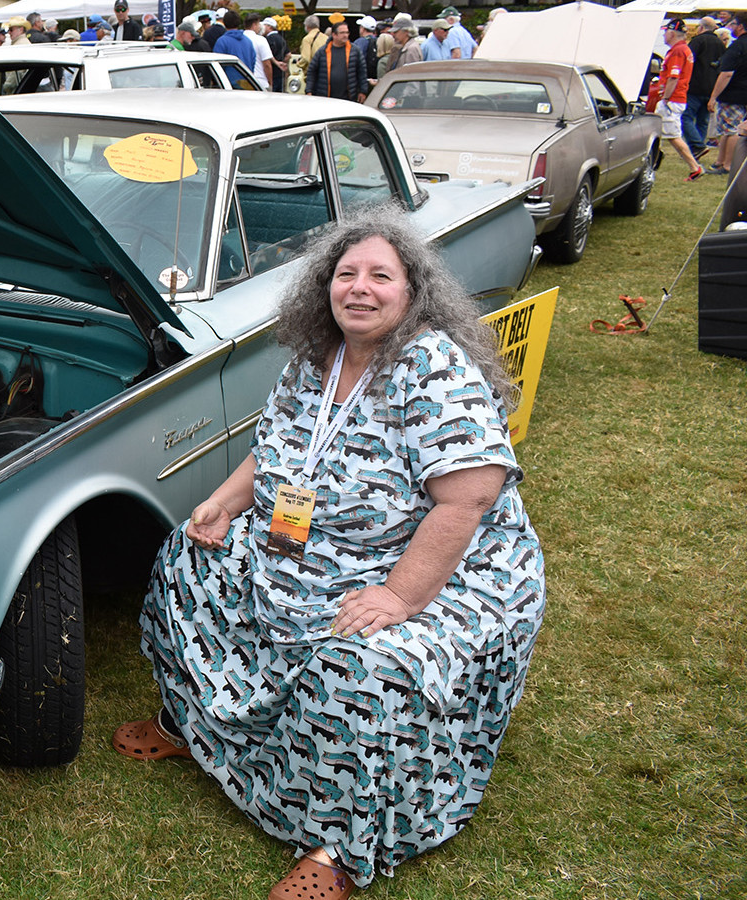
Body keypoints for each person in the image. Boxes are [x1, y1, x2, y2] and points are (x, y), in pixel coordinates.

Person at [113, 209, 545, 900]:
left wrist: (402, 598)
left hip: (432, 564)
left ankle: (336, 844)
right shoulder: (319, 358)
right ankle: (194, 727)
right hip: (311, 540)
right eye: (347, 274)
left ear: (413, 293)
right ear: (325, 288)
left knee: (364, 664)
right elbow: (275, 450)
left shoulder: (431, 367)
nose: (361, 289)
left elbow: (467, 499)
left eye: (381, 276)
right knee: (188, 567)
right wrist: (225, 503)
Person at [651, 19, 705, 180]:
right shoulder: (683, 49)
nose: (663, 35)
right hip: (676, 97)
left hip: (672, 99)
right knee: (660, 131)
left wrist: (665, 98)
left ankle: (695, 167)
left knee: (673, 136)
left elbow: (673, 77)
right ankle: (653, 161)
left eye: (665, 31)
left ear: (672, 33)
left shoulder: (678, 51)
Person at [709, 16, 747, 174]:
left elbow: (726, 74)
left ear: (740, 27)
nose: (731, 28)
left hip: (733, 94)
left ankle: (727, 165)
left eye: (733, 24)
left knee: (731, 131)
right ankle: (720, 161)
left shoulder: (737, 46)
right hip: (743, 94)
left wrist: (713, 97)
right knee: (725, 130)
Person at [687, 16, 726, 162]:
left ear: (701, 28)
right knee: (703, 120)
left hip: (695, 86)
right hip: (712, 88)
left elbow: (689, 60)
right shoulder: (720, 44)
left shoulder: (697, 41)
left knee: (687, 117)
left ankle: (696, 145)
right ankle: (699, 146)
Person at [307, 20, 368, 103]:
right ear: (334, 35)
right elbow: (311, 71)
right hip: (325, 98)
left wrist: (363, 91)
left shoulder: (355, 51)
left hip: (349, 98)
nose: (345, 35)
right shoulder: (322, 51)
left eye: (347, 32)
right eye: (342, 33)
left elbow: (362, 72)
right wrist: (309, 90)